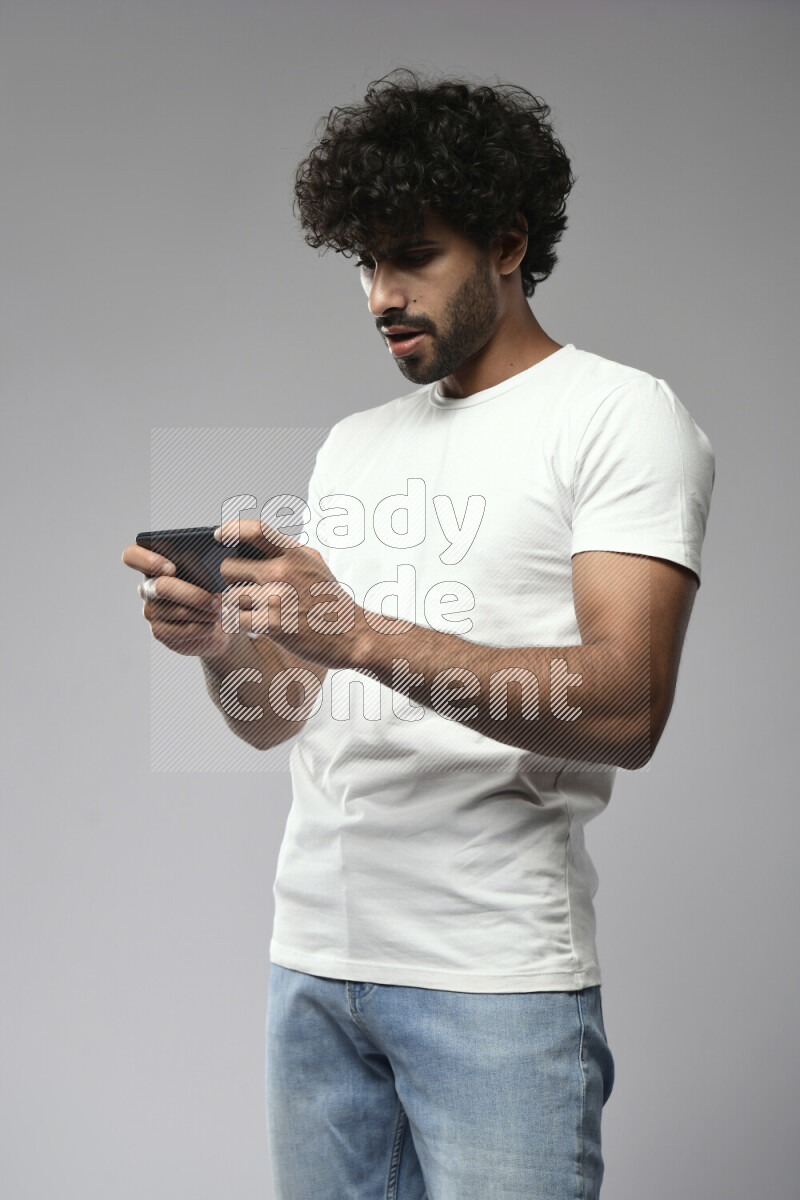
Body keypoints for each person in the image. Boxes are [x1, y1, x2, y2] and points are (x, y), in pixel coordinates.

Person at [122, 68, 715, 1199]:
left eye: (412, 257)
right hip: (312, 970)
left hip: (488, 983)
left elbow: (628, 704)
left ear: (505, 243)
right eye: (363, 261)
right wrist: (221, 648)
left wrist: (356, 633)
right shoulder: (355, 443)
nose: (378, 294)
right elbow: (283, 715)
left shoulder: (619, 417)